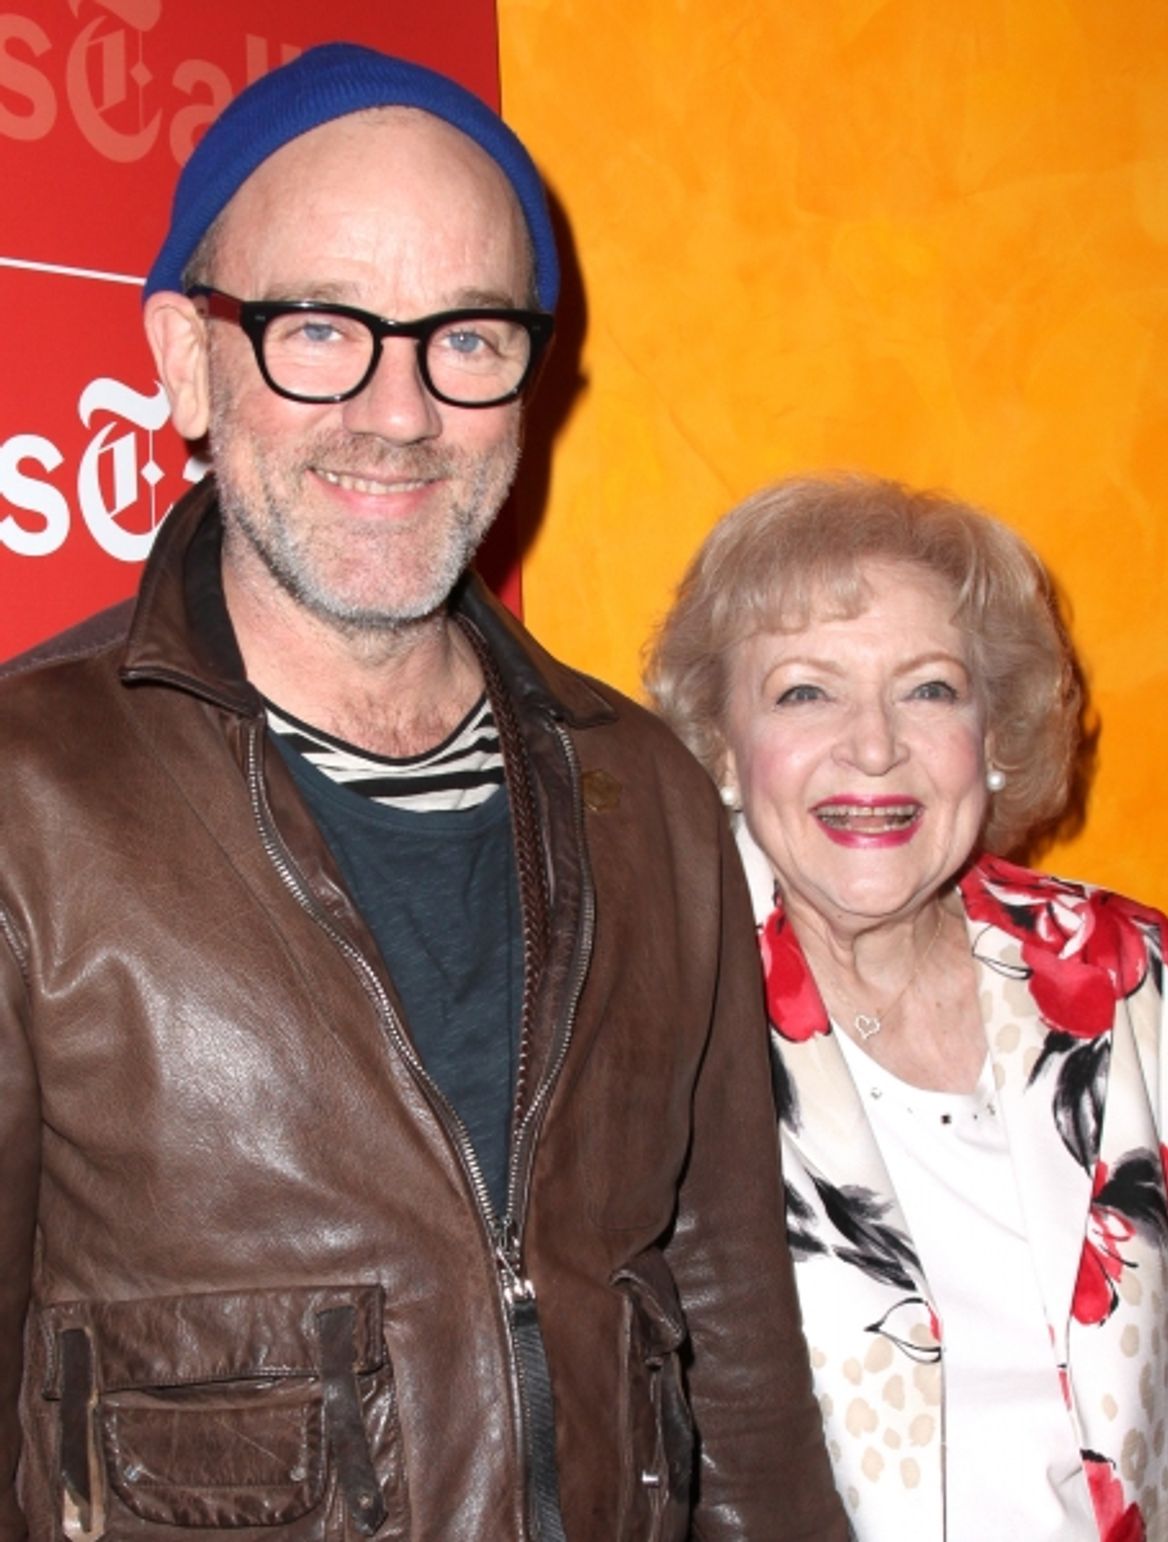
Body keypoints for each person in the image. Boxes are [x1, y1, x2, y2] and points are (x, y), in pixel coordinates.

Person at [0, 44, 848, 1542]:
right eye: (319, 327)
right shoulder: (24, 797)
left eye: (466, 336)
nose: (398, 412)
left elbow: (735, 1356)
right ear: (189, 362)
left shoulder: (647, 795)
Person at [646, 473, 1168, 1541]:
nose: (874, 746)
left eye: (930, 689)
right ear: (723, 746)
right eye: (806, 692)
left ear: (994, 735)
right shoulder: (657, 1005)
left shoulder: (1126, 974)